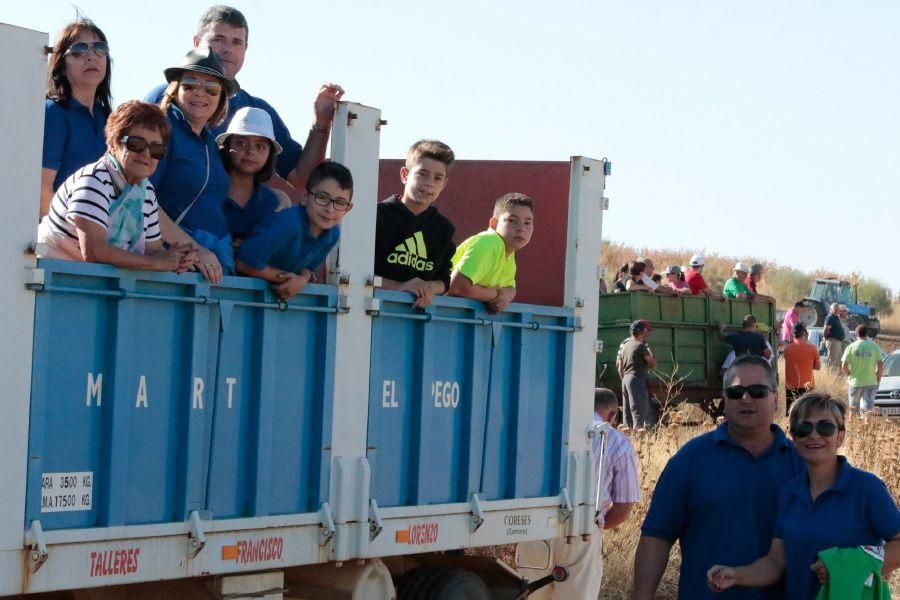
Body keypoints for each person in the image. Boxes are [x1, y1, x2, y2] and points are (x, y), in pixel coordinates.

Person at [633, 355, 805, 600]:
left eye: (757, 391)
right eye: (735, 392)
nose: (746, 398)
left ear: (776, 398)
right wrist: (642, 595)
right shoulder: (691, 460)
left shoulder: (801, 464)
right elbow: (657, 535)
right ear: (724, 399)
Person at [707, 393, 900, 599]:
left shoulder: (866, 488)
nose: (814, 435)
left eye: (825, 427)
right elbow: (776, 562)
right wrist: (735, 575)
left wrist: (848, 565)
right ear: (794, 437)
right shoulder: (789, 494)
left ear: (840, 436)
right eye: (804, 428)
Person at [146, 6, 343, 196]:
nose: (227, 50)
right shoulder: (164, 98)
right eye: (219, 39)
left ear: (246, 49)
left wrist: (321, 123)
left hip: (229, 227)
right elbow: (136, 175)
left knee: (280, 203)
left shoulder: (258, 112)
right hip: (167, 220)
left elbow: (301, 180)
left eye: (236, 42)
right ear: (197, 42)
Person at [37, 100, 195, 273]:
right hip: (51, 278)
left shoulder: (146, 191)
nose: (146, 154)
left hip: (91, 281)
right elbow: (94, 252)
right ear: (113, 144)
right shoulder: (93, 180)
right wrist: (158, 263)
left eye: (156, 149)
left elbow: (153, 251)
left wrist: (176, 260)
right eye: (136, 144)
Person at [516, 388, 640, 599]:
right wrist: (595, 526)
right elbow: (623, 508)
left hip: (534, 526)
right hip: (582, 528)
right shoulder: (618, 442)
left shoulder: (546, 429)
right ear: (612, 414)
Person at [153, 47, 235, 275]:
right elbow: (142, 199)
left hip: (214, 261)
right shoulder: (162, 132)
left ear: (221, 98)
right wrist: (195, 250)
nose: (200, 93)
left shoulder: (209, 142)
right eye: (189, 85)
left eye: (211, 88)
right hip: (181, 262)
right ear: (175, 90)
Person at [236, 161, 353, 300]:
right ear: (304, 197)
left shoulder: (333, 233)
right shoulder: (288, 224)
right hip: (237, 290)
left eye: (340, 202)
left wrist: (301, 280)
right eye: (322, 197)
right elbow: (243, 263)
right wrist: (288, 279)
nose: (330, 209)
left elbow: (309, 268)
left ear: (347, 209)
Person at [41, 19, 113, 217]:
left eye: (100, 48)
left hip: (100, 239)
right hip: (61, 241)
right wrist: (82, 237)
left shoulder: (109, 119)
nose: (91, 56)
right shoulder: (53, 113)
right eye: (79, 50)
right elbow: (41, 194)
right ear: (62, 66)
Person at [374, 140, 456, 308]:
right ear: (405, 175)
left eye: (438, 178)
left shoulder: (444, 229)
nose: (429, 183)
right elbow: (355, 275)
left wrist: (431, 288)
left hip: (415, 322)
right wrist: (398, 287)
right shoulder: (376, 216)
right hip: (369, 314)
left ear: (444, 184)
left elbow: (444, 280)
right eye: (422, 174)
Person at [448, 193, 534, 313]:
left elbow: (510, 287)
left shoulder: (508, 252)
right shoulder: (490, 242)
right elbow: (456, 287)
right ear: (494, 224)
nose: (521, 228)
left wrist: (506, 296)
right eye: (512, 220)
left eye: (527, 223)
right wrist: (494, 295)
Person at [217, 107, 287, 245]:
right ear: (226, 147)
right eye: (241, 143)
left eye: (260, 146)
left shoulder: (275, 203)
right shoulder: (207, 193)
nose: (250, 152)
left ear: (269, 154)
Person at [616, 320, 656, 430]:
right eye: (648, 331)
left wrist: (625, 380)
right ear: (643, 331)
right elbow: (651, 363)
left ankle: (627, 437)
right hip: (637, 379)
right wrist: (652, 356)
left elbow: (619, 367)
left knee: (627, 413)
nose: (650, 334)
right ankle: (639, 439)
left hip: (625, 379)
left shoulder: (625, 345)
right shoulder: (641, 346)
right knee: (639, 411)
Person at [841, 325, 884, 420]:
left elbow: (844, 366)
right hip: (870, 382)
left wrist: (849, 375)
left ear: (856, 334)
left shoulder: (850, 347)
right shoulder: (874, 347)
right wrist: (878, 378)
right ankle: (866, 428)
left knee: (853, 410)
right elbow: (880, 366)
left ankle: (855, 430)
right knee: (868, 410)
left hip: (855, 382)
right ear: (867, 334)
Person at [783, 324, 820, 416]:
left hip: (790, 386)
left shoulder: (787, 349)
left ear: (793, 334)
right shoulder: (812, 348)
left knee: (792, 414)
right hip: (808, 386)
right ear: (804, 333)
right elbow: (818, 367)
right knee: (808, 414)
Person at [823, 303, 847, 370]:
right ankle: (830, 376)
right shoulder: (830, 317)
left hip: (837, 342)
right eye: (835, 309)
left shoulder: (836, 318)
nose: (837, 311)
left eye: (838, 309)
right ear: (831, 310)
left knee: (836, 361)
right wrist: (825, 339)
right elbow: (826, 329)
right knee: (832, 360)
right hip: (833, 341)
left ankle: (834, 376)